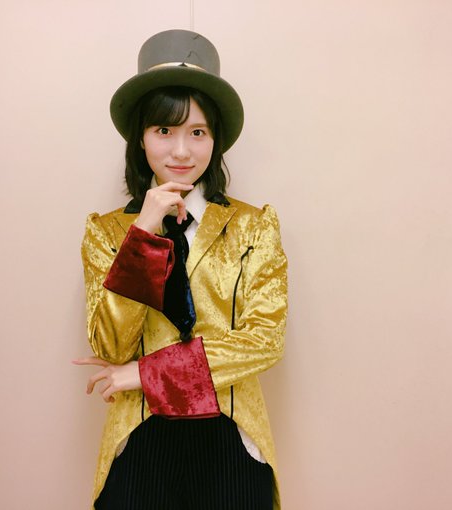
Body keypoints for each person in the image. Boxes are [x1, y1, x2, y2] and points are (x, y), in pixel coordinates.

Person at [73, 29, 288, 509]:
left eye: (197, 132)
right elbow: (110, 345)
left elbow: (263, 340)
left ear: (215, 139)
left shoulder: (254, 226)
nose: (181, 152)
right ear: (141, 137)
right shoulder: (107, 232)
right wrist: (143, 235)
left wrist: (145, 373)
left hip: (230, 436)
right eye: (164, 131)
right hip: (140, 436)